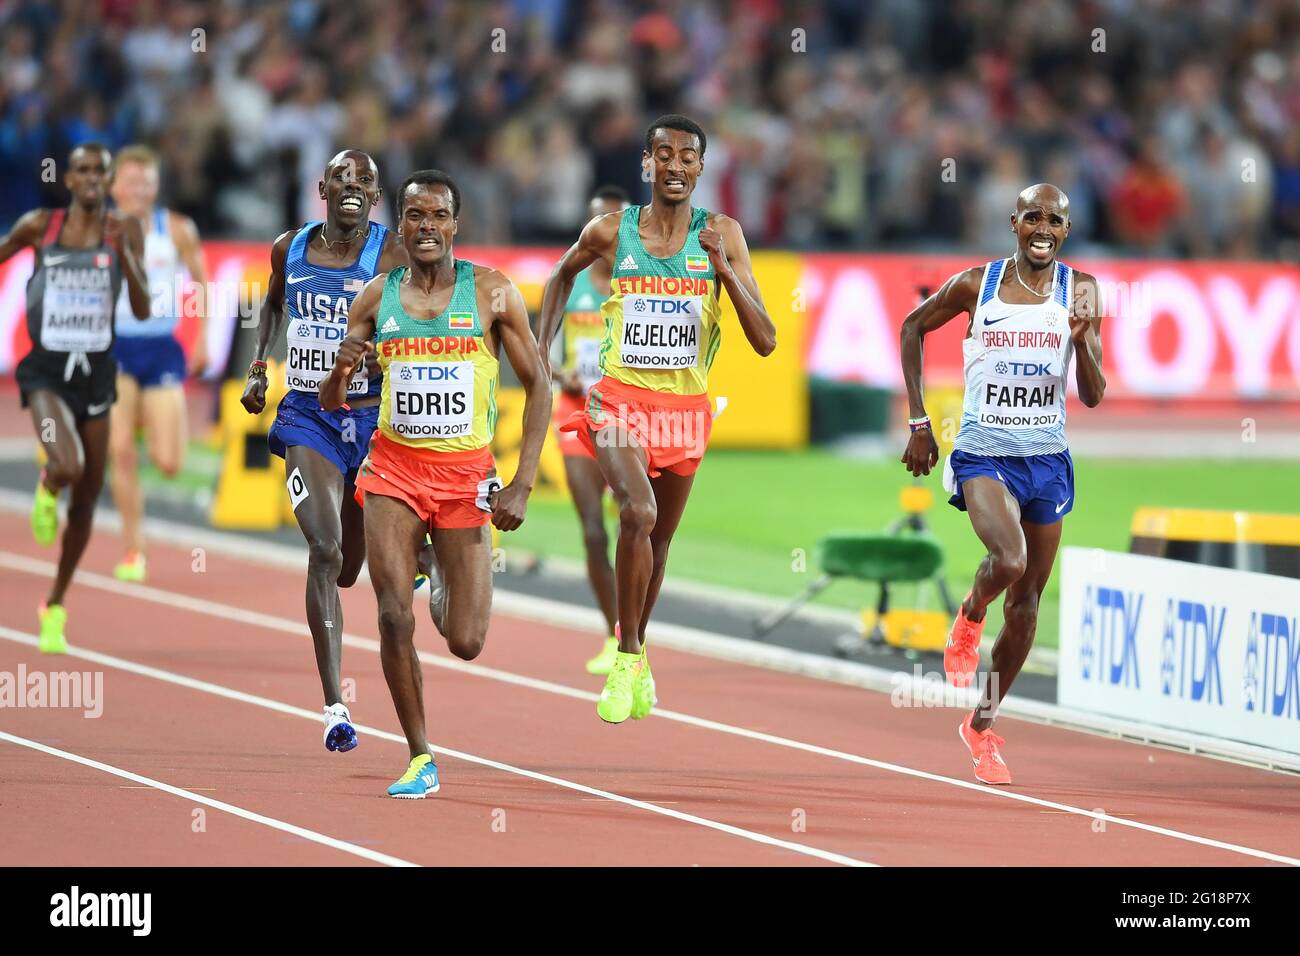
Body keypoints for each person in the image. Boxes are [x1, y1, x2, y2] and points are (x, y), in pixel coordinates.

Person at [536, 115, 776, 724]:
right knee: (636, 513)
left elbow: (766, 339)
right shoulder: (612, 231)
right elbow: (560, 276)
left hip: (685, 409)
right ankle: (626, 655)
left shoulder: (722, 234)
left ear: (700, 168)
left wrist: (726, 275)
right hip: (618, 398)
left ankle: (637, 654)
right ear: (646, 162)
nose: (674, 165)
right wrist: (541, 356)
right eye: (662, 154)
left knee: (659, 541)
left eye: (686, 156)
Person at [320, 169, 550, 798]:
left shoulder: (493, 294)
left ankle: (441, 569)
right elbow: (334, 399)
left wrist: (522, 483)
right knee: (393, 615)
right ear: (400, 224)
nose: (426, 227)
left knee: (466, 640)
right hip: (393, 471)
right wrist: (342, 371)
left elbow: (539, 386)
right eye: (414, 216)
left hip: (466, 478)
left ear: (456, 224)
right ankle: (421, 755)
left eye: (437, 216)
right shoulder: (375, 297)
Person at [899, 183, 1105, 785]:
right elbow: (913, 328)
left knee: (1028, 608)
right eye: (1033, 218)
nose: (1043, 228)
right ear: (1015, 223)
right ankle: (968, 612)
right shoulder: (976, 285)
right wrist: (918, 421)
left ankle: (981, 728)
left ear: (1065, 230)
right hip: (984, 454)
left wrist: (1081, 342)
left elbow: (1092, 394)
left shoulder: (1082, 290)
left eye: (1055, 221)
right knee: (1009, 561)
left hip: (1049, 459)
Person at [241, 149, 405, 753]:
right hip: (308, 416)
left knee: (353, 570)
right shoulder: (289, 246)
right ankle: (336, 705)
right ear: (323, 188)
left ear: (376, 192)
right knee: (326, 549)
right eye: (343, 178)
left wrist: (389, 356)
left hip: (372, 419)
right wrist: (260, 368)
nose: (354, 186)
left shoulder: (390, 252)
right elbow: (275, 303)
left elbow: (418, 312)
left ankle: (419, 561)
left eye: (365, 179)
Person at [0, 143, 150, 652]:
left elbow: (144, 307)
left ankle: (55, 603)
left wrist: (126, 257)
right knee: (66, 463)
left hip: (96, 375)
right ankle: (48, 482)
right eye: (81, 170)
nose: (90, 178)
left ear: (107, 182)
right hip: (46, 373)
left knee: (86, 500)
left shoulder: (123, 230)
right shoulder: (39, 226)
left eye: (98, 172)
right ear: (68, 178)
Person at [107, 145, 210, 582]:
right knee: (121, 453)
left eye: (146, 182)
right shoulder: (99, 229)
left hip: (161, 347)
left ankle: (148, 420)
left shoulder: (178, 228)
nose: (139, 190)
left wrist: (202, 337)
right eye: (131, 182)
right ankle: (135, 549)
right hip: (113, 349)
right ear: (114, 186)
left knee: (169, 461)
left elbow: (202, 280)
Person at [551, 185, 630, 675]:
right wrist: (566, 377)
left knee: (632, 524)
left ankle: (631, 631)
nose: (602, 233)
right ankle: (610, 632)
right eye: (594, 223)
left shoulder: (637, 284)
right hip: (575, 415)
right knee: (593, 532)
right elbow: (543, 351)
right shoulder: (569, 281)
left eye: (612, 224)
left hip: (624, 417)